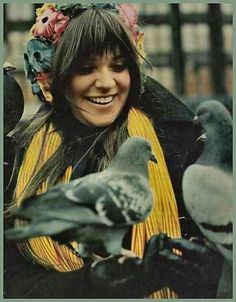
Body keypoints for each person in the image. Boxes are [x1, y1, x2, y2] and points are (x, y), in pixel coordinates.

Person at [4, 3, 223, 299]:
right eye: (85, 68)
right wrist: (91, 285)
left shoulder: (177, 144)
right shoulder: (18, 157)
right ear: (55, 76)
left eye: (119, 66)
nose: (107, 83)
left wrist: (204, 274)